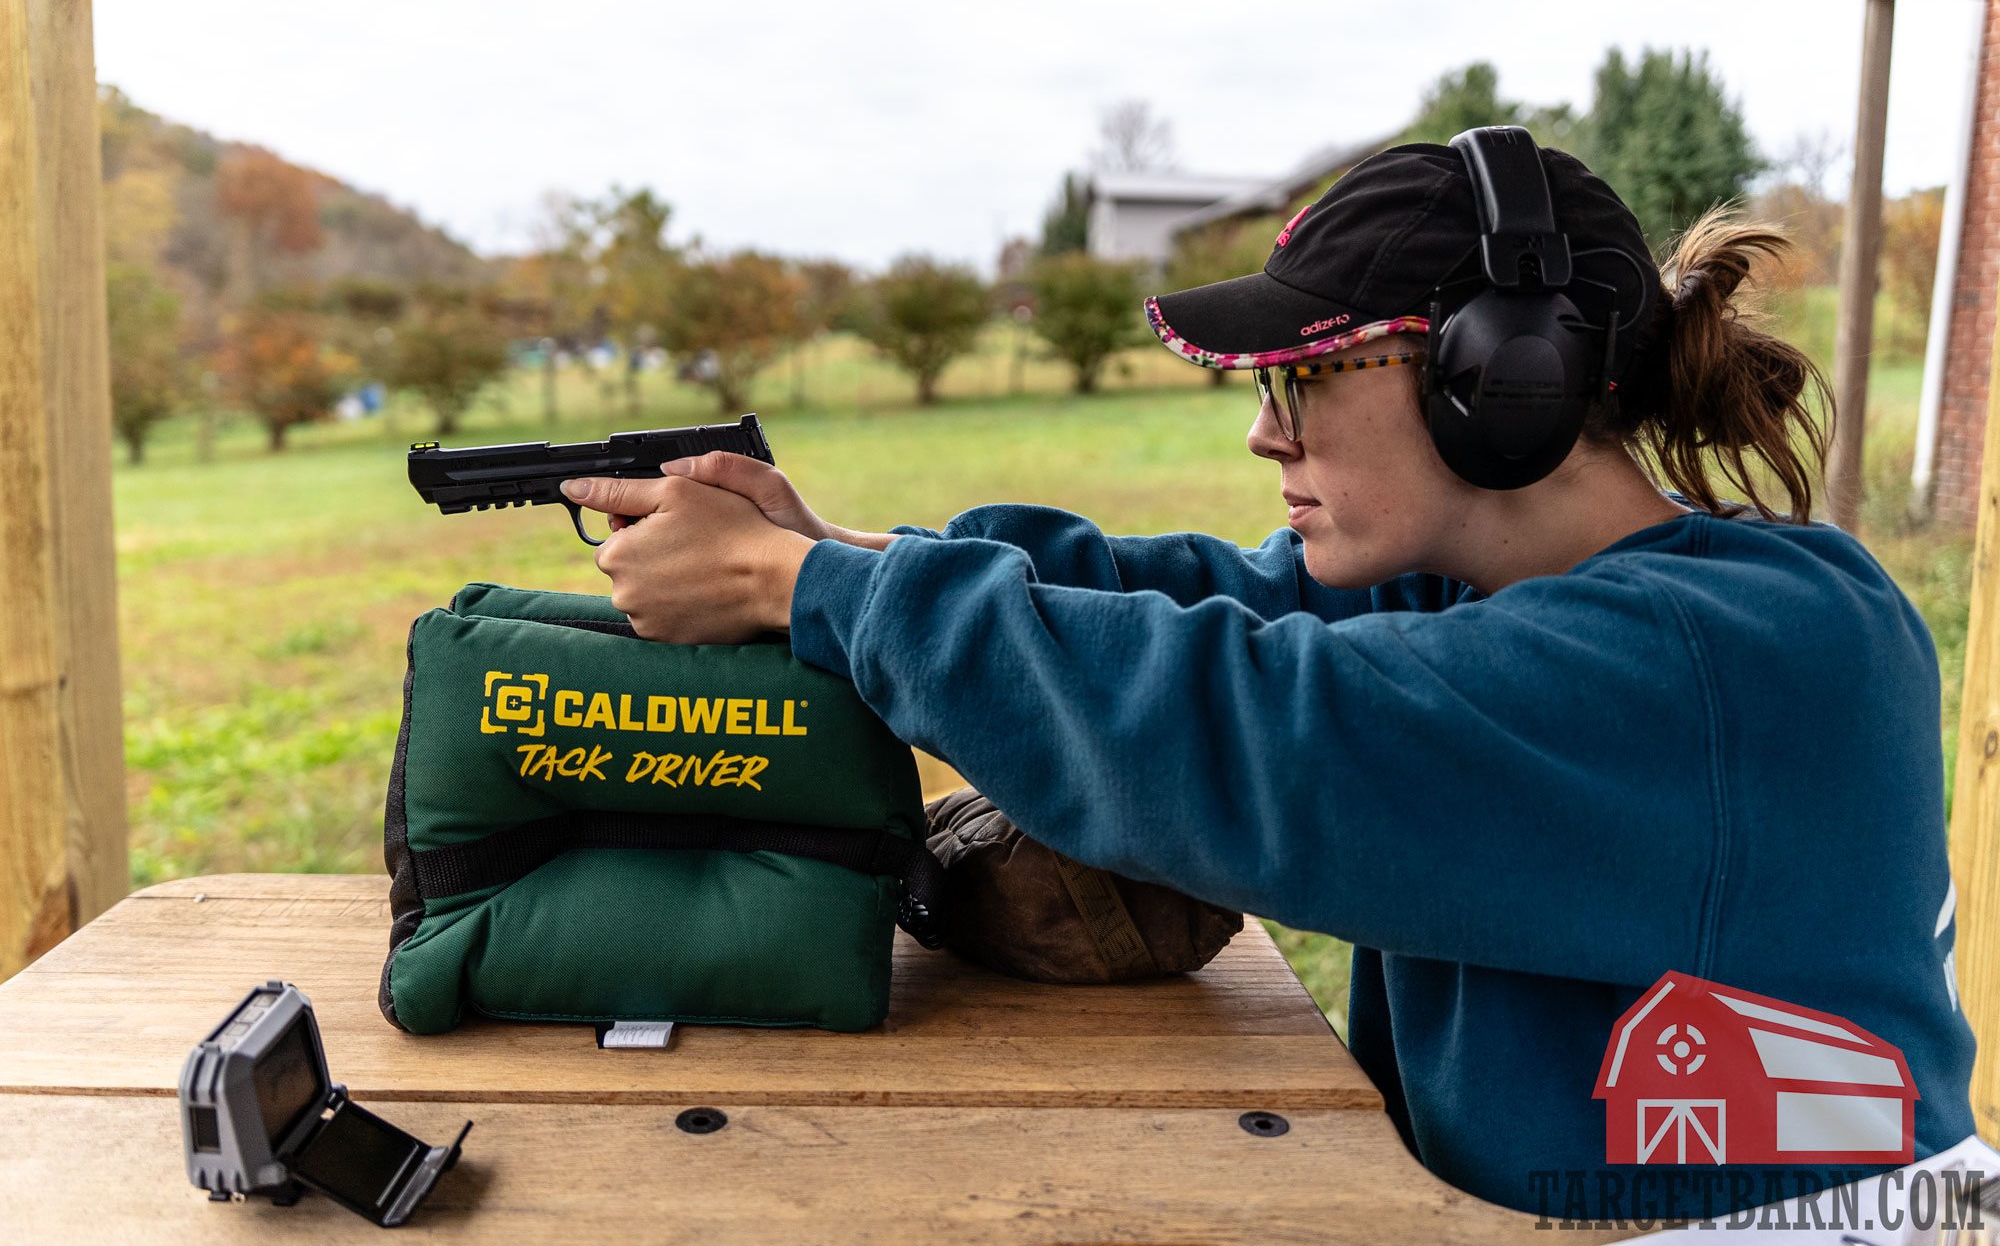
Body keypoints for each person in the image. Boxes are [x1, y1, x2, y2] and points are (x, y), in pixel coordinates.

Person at [557, 136, 1976, 1220]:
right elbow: (1191, 604)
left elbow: (1256, 728)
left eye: (1299, 379)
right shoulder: (1491, 589)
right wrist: (827, 549)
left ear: (1499, 378)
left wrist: (787, 587)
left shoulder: (1754, 656)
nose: (1260, 432)